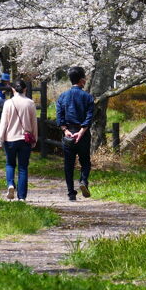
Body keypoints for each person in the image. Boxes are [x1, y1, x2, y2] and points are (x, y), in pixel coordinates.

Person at [56, 66, 95, 201]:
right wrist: (82, 131)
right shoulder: (88, 97)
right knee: (85, 162)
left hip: (68, 134)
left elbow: (59, 116)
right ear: (81, 80)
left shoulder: (62, 96)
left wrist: (66, 130)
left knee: (68, 164)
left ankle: (71, 193)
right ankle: (83, 181)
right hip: (82, 134)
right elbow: (89, 117)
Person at [0, 79, 38, 201]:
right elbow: (34, 123)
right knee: (23, 167)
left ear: (13, 89)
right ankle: (22, 196)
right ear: (25, 89)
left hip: (10, 138)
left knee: (10, 164)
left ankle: (10, 184)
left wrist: (0, 139)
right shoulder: (30, 103)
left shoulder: (8, 103)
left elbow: (3, 123)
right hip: (25, 139)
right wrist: (34, 139)